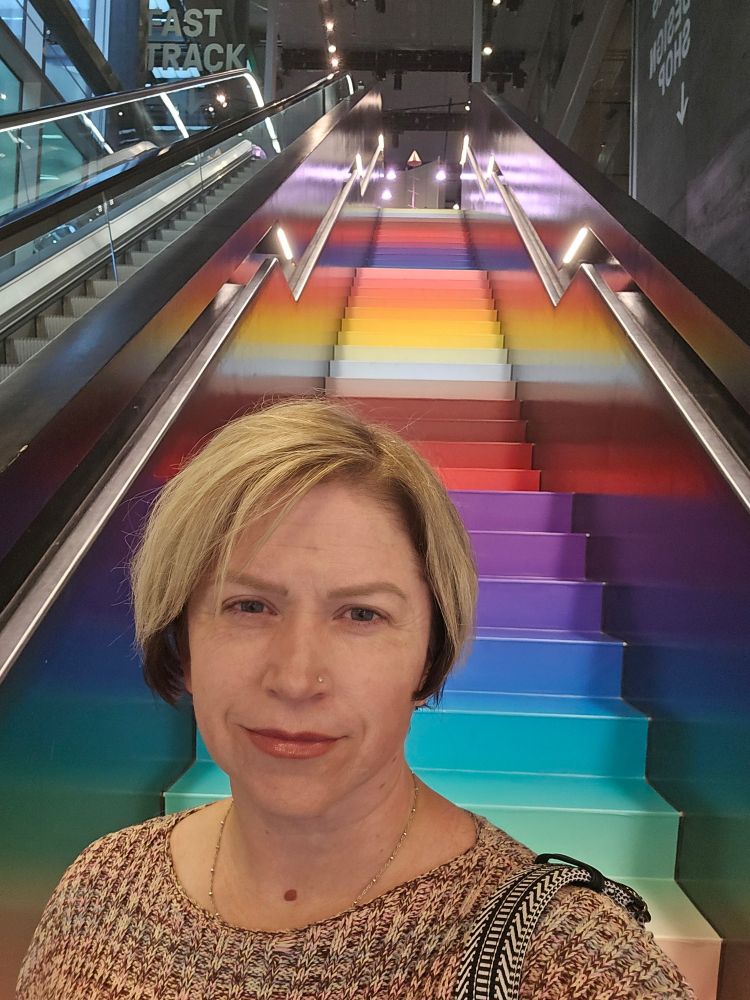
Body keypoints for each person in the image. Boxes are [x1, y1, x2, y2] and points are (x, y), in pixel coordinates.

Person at [16, 398, 695, 999]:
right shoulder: (101, 890)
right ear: (181, 639)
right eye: (248, 605)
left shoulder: (569, 961)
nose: (295, 677)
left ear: (428, 652)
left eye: (361, 614)